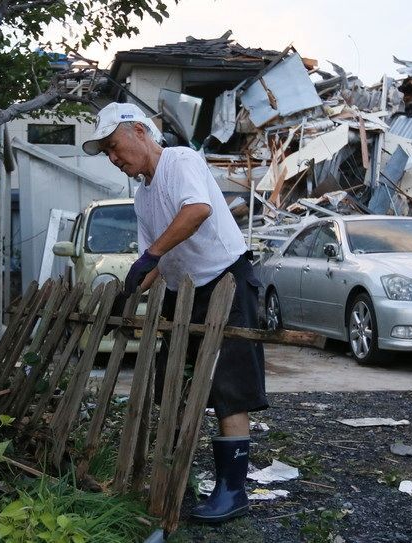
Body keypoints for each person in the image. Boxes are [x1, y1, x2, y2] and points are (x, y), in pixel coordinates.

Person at [83, 102, 267, 523]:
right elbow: (157, 260)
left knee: (228, 386)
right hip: (184, 292)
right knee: (172, 380)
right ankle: (176, 471)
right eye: (108, 153)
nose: (114, 158)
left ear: (139, 132)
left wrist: (150, 257)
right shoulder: (143, 196)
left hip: (226, 281)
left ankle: (233, 491)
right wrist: (130, 289)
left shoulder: (180, 160)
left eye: (115, 146)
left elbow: (196, 211)